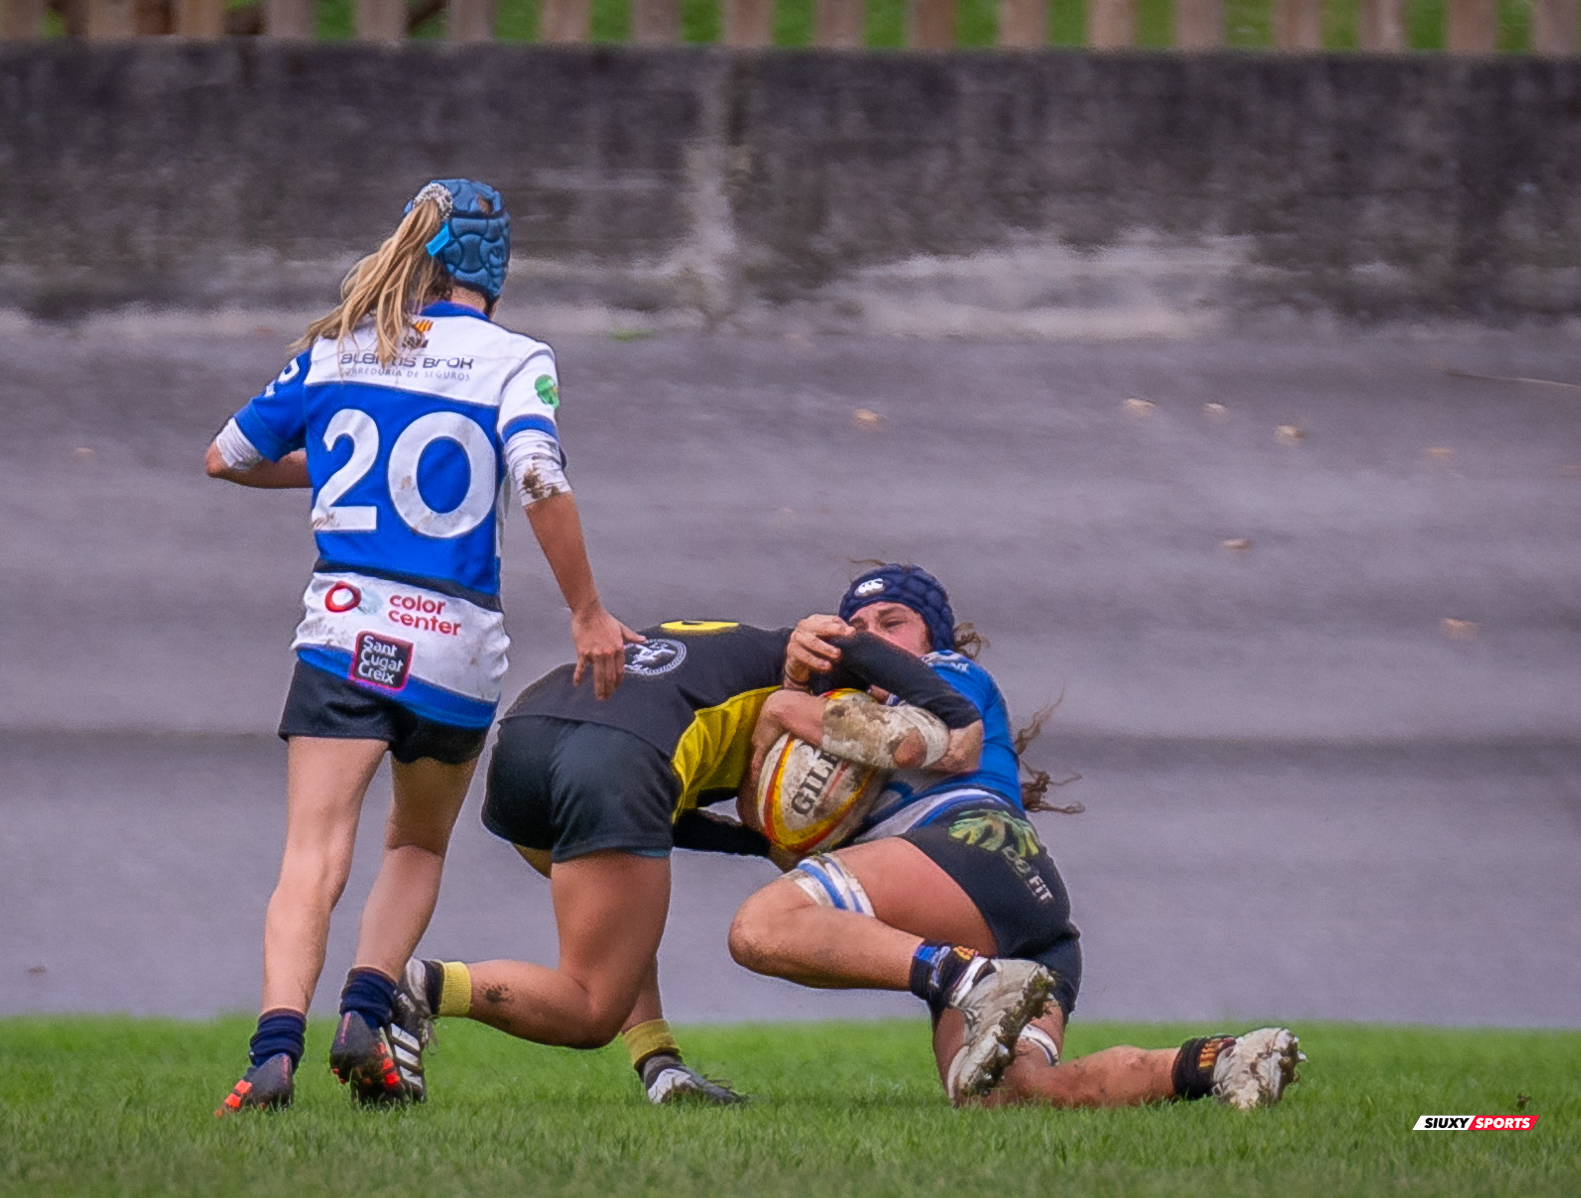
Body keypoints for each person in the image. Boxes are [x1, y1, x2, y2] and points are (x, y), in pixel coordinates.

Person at [204, 179, 638, 1114]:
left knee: (311, 855)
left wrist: (325, 464)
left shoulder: (340, 347)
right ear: (498, 268)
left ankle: (273, 1050)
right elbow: (538, 473)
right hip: (453, 644)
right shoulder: (515, 359)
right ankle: (368, 1008)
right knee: (417, 845)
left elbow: (227, 457)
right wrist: (589, 611)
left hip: (345, 627)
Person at [379, 615, 1051, 1106]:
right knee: (590, 1006)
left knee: (619, 911)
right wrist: (957, 725)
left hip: (530, 736)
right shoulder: (822, 661)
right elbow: (857, 649)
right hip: (616, 756)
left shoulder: (735, 654)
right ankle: (416, 990)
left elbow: (666, 821)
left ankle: (661, 1066)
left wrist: (755, 841)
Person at [727, 564, 1302, 1109]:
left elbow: (906, 743)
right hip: (1033, 922)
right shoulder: (835, 716)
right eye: (855, 628)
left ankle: (970, 977)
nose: (868, 637)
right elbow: (773, 832)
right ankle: (1225, 1062)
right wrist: (795, 689)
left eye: (891, 622)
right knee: (1005, 1097)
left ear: (934, 635)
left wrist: (788, 699)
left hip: (974, 848)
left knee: (761, 926)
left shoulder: (948, 675)